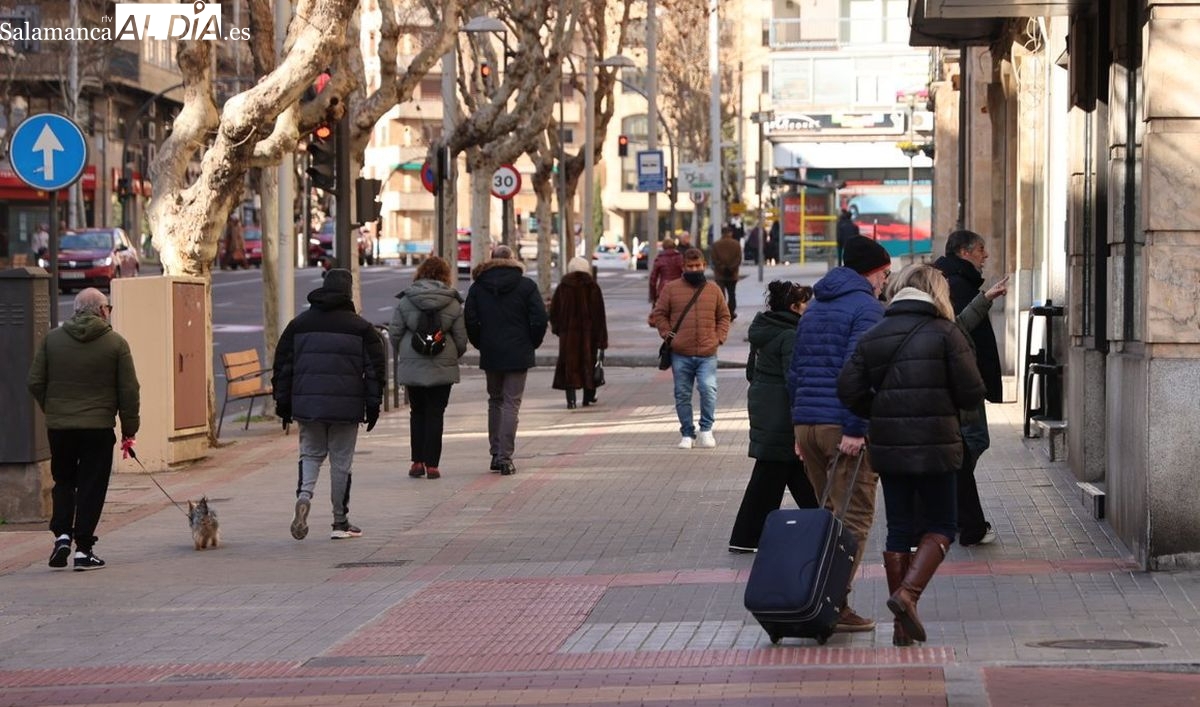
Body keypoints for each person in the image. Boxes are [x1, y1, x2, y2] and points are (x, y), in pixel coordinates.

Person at [837, 263, 985, 645]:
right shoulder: (947, 334)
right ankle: (908, 596)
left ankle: (902, 629)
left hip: (890, 446)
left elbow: (848, 388)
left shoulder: (875, 333)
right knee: (944, 523)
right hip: (938, 444)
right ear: (936, 293)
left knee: (899, 527)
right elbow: (971, 393)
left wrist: (881, 411)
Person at [786, 234, 891, 633]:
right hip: (841, 427)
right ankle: (831, 603)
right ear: (873, 272)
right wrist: (855, 427)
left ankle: (815, 596)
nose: (885, 282)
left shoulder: (814, 307)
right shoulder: (867, 309)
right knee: (853, 517)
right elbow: (859, 371)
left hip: (809, 425)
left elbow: (794, 372)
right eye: (884, 274)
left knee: (828, 516)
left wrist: (798, 431)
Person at [27, 288, 139, 571]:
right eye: (108, 309)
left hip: (60, 428)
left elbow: (35, 381)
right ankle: (84, 549)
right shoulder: (116, 343)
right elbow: (129, 392)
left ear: (76, 310)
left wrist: (53, 410)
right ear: (102, 311)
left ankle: (62, 536)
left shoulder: (52, 340)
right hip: (98, 429)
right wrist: (129, 430)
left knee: (64, 481)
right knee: (91, 486)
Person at [273, 269, 386, 540]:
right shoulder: (361, 328)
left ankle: (304, 497)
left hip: (308, 405)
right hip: (346, 408)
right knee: (341, 463)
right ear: (348, 292)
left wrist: (283, 404)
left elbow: (283, 367)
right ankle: (340, 522)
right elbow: (375, 372)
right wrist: (373, 406)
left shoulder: (298, 325)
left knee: (310, 455)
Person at [728, 281, 817, 553]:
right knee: (773, 473)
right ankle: (745, 537)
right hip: (781, 413)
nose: (811, 308)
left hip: (765, 407)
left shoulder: (765, 329)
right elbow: (795, 379)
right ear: (794, 307)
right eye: (807, 303)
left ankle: (823, 523)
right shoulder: (790, 334)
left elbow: (751, 373)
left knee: (790, 471)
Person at [934, 230, 1006, 547]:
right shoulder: (957, 284)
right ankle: (961, 518)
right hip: (960, 385)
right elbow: (958, 330)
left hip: (961, 384)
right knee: (968, 446)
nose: (985, 256)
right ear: (964, 252)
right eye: (980, 249)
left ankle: (957, 516)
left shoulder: (952, 282)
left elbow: (957, 328)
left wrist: (986, 298)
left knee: (964, 451)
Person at [465, 245, 549, 476]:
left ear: (491, 260)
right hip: (518, 351)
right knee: (512, 402)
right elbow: (540, 319)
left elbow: (470, 320)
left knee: (495, 400)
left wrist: (481, 342)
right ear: (513, 259)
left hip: (491, 351)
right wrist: (532, 342)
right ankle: (505, 457)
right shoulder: (526, 286)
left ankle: (495, 453)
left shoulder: (478, 287)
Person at [388, 256, 468, 480]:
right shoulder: (453, 302)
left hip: (413, 366)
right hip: (443, 367)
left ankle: (417, 462)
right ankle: (432, 465)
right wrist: (453, 354)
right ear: (445, 276)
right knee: (436, 413)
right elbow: (461, 338)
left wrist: (406, 352)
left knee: (417, 412)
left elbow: (394, 333)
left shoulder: (406, 301)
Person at [650, 248, 731, 449]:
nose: (695, 269)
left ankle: (706, 429)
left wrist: (718, 338)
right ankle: (687, 432)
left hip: (707, 351)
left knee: (708, 389)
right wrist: (668, 335)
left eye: (698, 266)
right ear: (683, 267)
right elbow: (659, 314)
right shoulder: (671, 288)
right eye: (690, 266)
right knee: (682, 393)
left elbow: (724, 316)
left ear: (704, 266)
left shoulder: (713, 289)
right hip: (681, 352)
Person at [550, 256, 609, 409]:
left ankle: (571, 400)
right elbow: (599, 315)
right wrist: (602, 338)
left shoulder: (563, 287)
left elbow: (554, 312)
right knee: (589, 363)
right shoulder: (593, 287)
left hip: (568, 336)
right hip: (590, 335)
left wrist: (558, 329)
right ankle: (587, 397)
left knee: (569, 365)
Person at [710, 225, 743, 320]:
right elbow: (738, 258)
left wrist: (722, 268)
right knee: (732, 294)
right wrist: (731, 268)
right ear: (731, 233)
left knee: (721, 295)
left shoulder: (716, 245)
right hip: (733, 274)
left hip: (720, 274)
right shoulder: (736, 244)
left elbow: (714, 259)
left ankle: (722, 314)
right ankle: (731, 313)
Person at [649, 236, 684, 304]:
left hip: (663, 289)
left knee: (661, 311)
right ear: (674, 246)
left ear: (663, 247)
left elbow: (653, 279)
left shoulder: (660, 259)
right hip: (678, 289)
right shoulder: (680, 257)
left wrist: (653, 295)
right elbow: (685, 273)